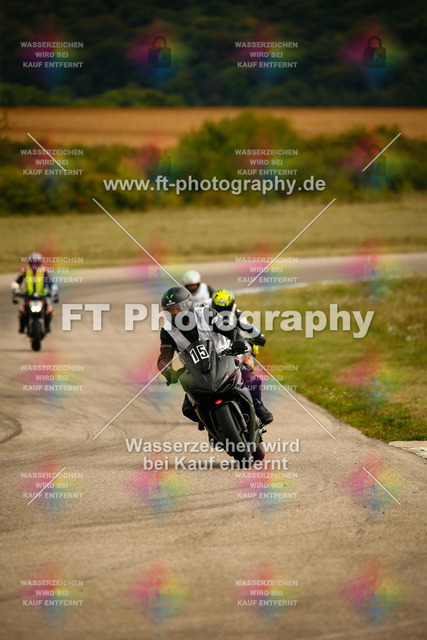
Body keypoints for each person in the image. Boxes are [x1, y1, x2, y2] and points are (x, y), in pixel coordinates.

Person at [157, 286, 273, 427]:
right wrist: (168, 371)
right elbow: (164, 357)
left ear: (188, 304)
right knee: (188, 410)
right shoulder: (167, 331)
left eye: (178, 308)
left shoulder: (205, 313)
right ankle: (210, 425)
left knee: (251, 379)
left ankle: (259, 406)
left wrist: (237, 341)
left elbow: (231, 329)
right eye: (170, 310)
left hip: (225, 358)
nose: (175, 313)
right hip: (196, 370)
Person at [210, 289, 272, 425]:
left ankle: (258, 405)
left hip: (234, 349)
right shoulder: (206, 314)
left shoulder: (236, 314)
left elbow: (248, 327)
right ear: (213, 305)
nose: (222, 311)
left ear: (231, 305)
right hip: (213, 354)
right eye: (219, 307)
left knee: (252, 377)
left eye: (225, 307)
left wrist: (259, 336)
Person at [12, 252, 57, 334]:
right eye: (33, 262)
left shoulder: (44, 271)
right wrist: (15, 288)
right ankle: (22, 327)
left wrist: (54, 289)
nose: (34, 264)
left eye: (36, 262)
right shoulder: (25, 271)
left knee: (50, 311)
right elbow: (18, 281)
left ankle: (47, 326)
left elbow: (50, 282)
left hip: (42, 296)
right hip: (29, 296)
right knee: (21, 311)